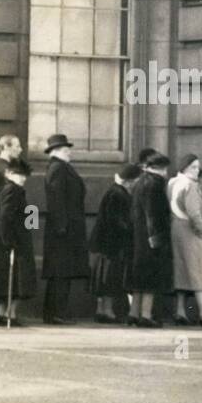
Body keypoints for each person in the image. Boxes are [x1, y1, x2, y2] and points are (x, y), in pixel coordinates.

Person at [40, 134, 89, 325]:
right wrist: (62, 227)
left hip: (64, 229)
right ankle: (56, 313)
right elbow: (57, 199)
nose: (69, 152)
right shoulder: (58, 169)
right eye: (65, 149)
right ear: (56, 151)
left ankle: (56, 312)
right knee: (61, 273)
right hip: (63, 231)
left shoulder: (60, 168)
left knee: (61, 273)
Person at [168, 154, 202, 325]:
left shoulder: (172, 183)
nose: (197, 171)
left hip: (176, 227)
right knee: (198, 269)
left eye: (198, 167)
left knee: (181, 270)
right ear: (185, 167)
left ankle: (180, 310)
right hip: (191, 231)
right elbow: (195, 213)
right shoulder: (190, 185)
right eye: (193, 167)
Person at [88, 164, 140, 323]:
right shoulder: (119, 194)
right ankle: (107, 311)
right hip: (112, 244)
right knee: (109, 278)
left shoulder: (114, 191)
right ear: (130, 181)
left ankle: (102, 309)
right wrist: (129, 229)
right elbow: (116, 220)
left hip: (104, 243)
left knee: (103, 278)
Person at [0, 158, 37, 326]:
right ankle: (10, 314)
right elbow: (5, 217)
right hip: (16, 242)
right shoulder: (13, 190)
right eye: (19, 174)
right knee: (19, 280)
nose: (23, 178)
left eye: (24, 175)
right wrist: (8, 240)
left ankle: (2, 313)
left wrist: (32, 217)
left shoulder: (7, 189)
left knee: (9, 281)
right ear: (9, 174)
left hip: (13, 240)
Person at [128, 153, 172, 327]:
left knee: (139, 276)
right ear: (161, 169)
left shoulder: (140, 183)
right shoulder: (155, 185)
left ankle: (133, 313)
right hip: (151, 237)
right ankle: (146, 315)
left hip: (139, 236)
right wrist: (156, 237)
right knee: (150, 276)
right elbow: (152, 214)